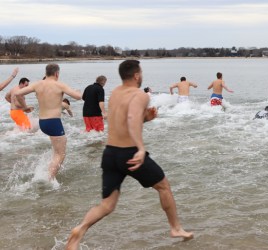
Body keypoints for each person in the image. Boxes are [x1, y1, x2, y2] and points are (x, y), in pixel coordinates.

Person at [65, 60, 193, 250]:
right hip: (129, 154)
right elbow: (132, 119)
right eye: (140, 73)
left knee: (107, 205)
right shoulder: (139, 95)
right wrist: (140, 148)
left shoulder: (116, 93)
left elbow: (124, 120)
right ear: (136, 75)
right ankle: (175, 228)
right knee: (164, 186)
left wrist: (146, 118)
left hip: (109, 153)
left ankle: (80, 229)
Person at [14, 63, 82, 180]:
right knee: (60, 154)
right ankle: (49, 179)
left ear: (46, 73)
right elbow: (78, 97)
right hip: (54, 122)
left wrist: (24, 107)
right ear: (57, 73)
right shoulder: (59, 85)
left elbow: (17, 93)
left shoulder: (37, 84)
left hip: (43, 122)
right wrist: (78, 91)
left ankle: (46, 172)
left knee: (56, 151)